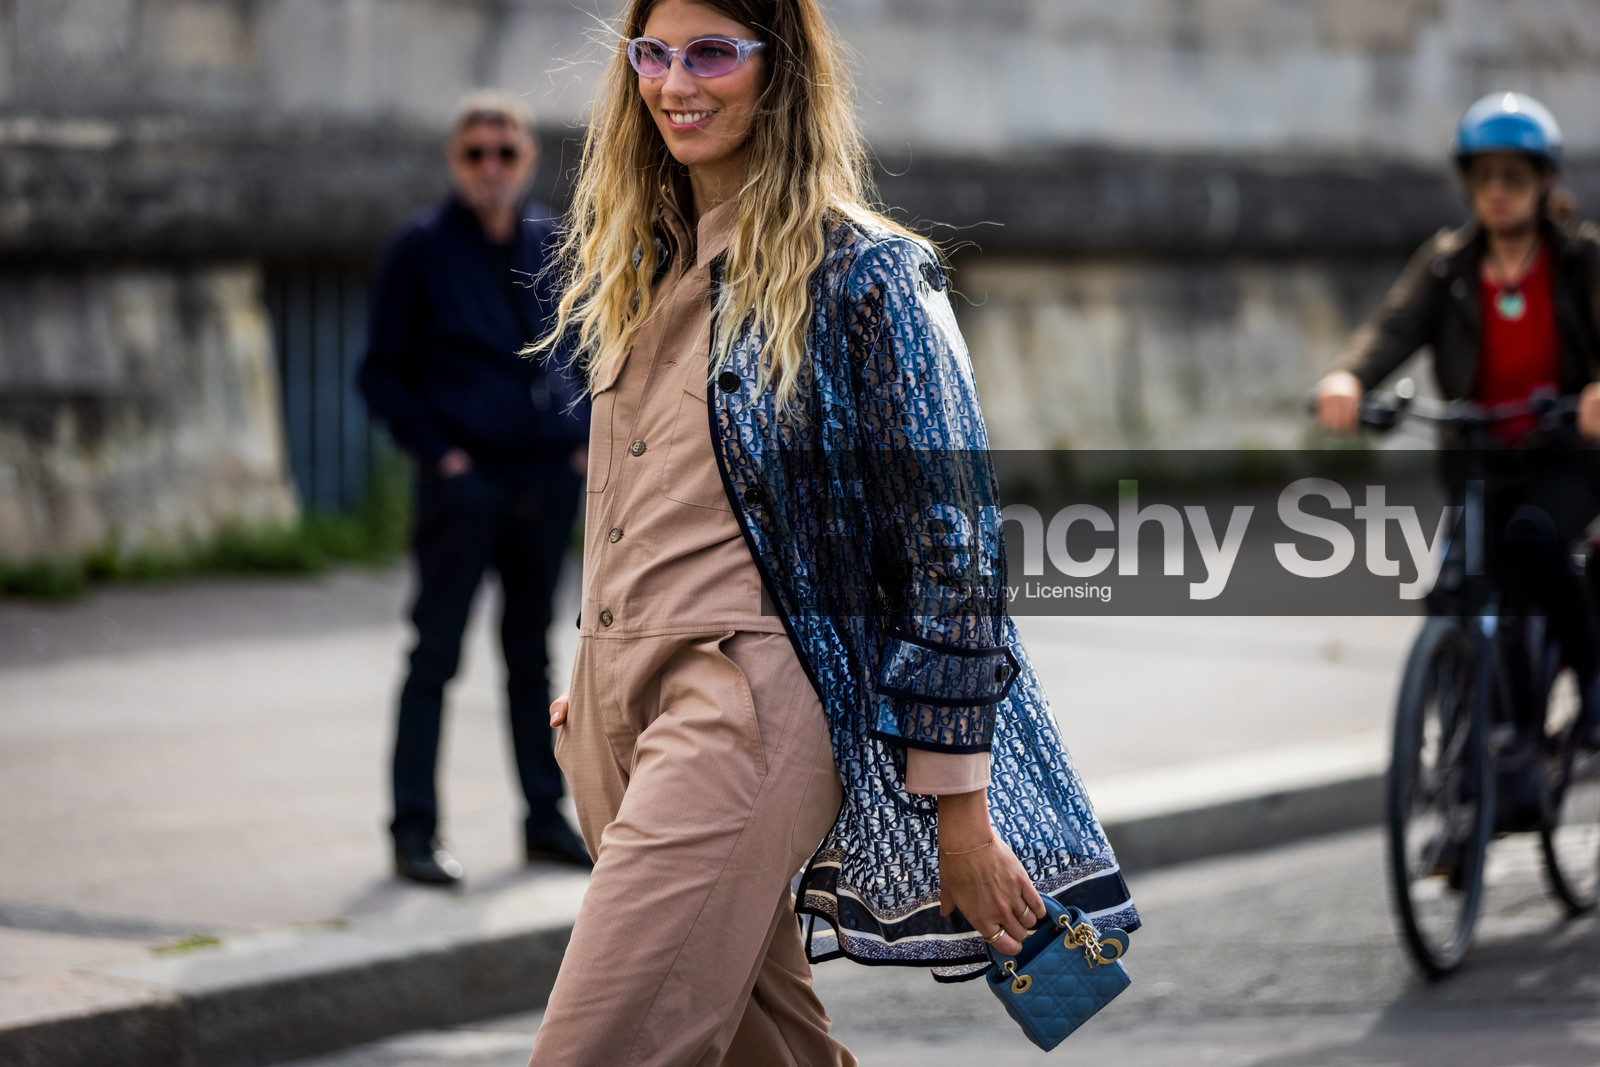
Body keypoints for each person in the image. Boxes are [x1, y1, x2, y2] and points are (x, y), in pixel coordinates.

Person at [525, 1, 1138, 1062]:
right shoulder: (645, 263)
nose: (677, 82)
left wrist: (957, 802)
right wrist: (602, 653)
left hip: (741, 710)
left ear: (780, 72)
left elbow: (954, 554)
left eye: (713, 52)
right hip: (611, 710)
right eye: (653, 54)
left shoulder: (862, 274)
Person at [358, 91, 591, 885]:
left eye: (507, 152)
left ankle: (543, 817)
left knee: (534, 660)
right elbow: (380, 373)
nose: (492, 167)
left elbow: (591, 345)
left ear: (527, 157)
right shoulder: (418, 248)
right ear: (455, 162)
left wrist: (584, 439)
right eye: (475, 153)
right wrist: (442, 459)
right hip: (464, 487)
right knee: (436, 657)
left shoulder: (553, 237)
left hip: (545, 481)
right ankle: (413, 829)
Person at [1316, 91, 1600, 742]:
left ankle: (1593, 679)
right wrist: (1348, 377)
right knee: (1455, 586)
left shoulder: (1581, 261)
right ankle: (1471, 758)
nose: (1497, 191)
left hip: (1565, 458)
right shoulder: (1447, 265)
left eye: (1514, 177)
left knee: (1532, 538)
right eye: (1483, 177)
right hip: (1480, 460)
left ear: (1544, 181)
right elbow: (1391, 327)